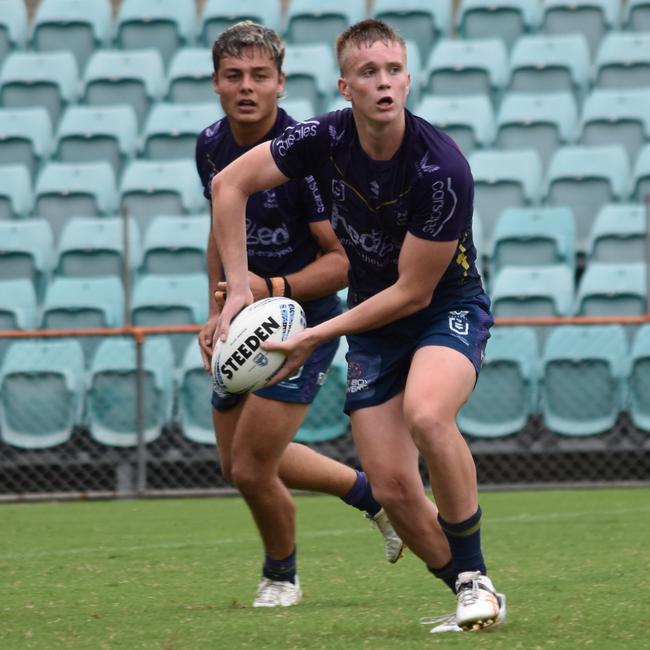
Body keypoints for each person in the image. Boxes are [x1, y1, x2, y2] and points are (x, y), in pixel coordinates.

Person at [210, 19, 507, 632]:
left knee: (427, 414)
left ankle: (475, 575)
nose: (383, 82)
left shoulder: (441, 168)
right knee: (395, 491)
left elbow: (413, 291)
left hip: (442, 308)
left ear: (408, 79)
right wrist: (238, 291)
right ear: (345, 85)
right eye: (368, 72)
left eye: (393, 70)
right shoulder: (323, 136)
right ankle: (471, 592)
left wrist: (319, 333)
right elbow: (228, 183)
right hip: (374, 321)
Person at [195, 21, 408, 610]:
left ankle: (281, 577)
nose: (247, 87)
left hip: (300, 322)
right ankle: (370, 496)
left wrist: (269, 286)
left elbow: (343, 264)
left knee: (253, 465)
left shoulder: (307, 154)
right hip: (242, 312)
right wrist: (216, 309)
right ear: (215, 83)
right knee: (236, 466)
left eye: (260, 76)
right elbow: (220, 229)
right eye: (234, 76)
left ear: (281, 84)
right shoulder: (211, 145)